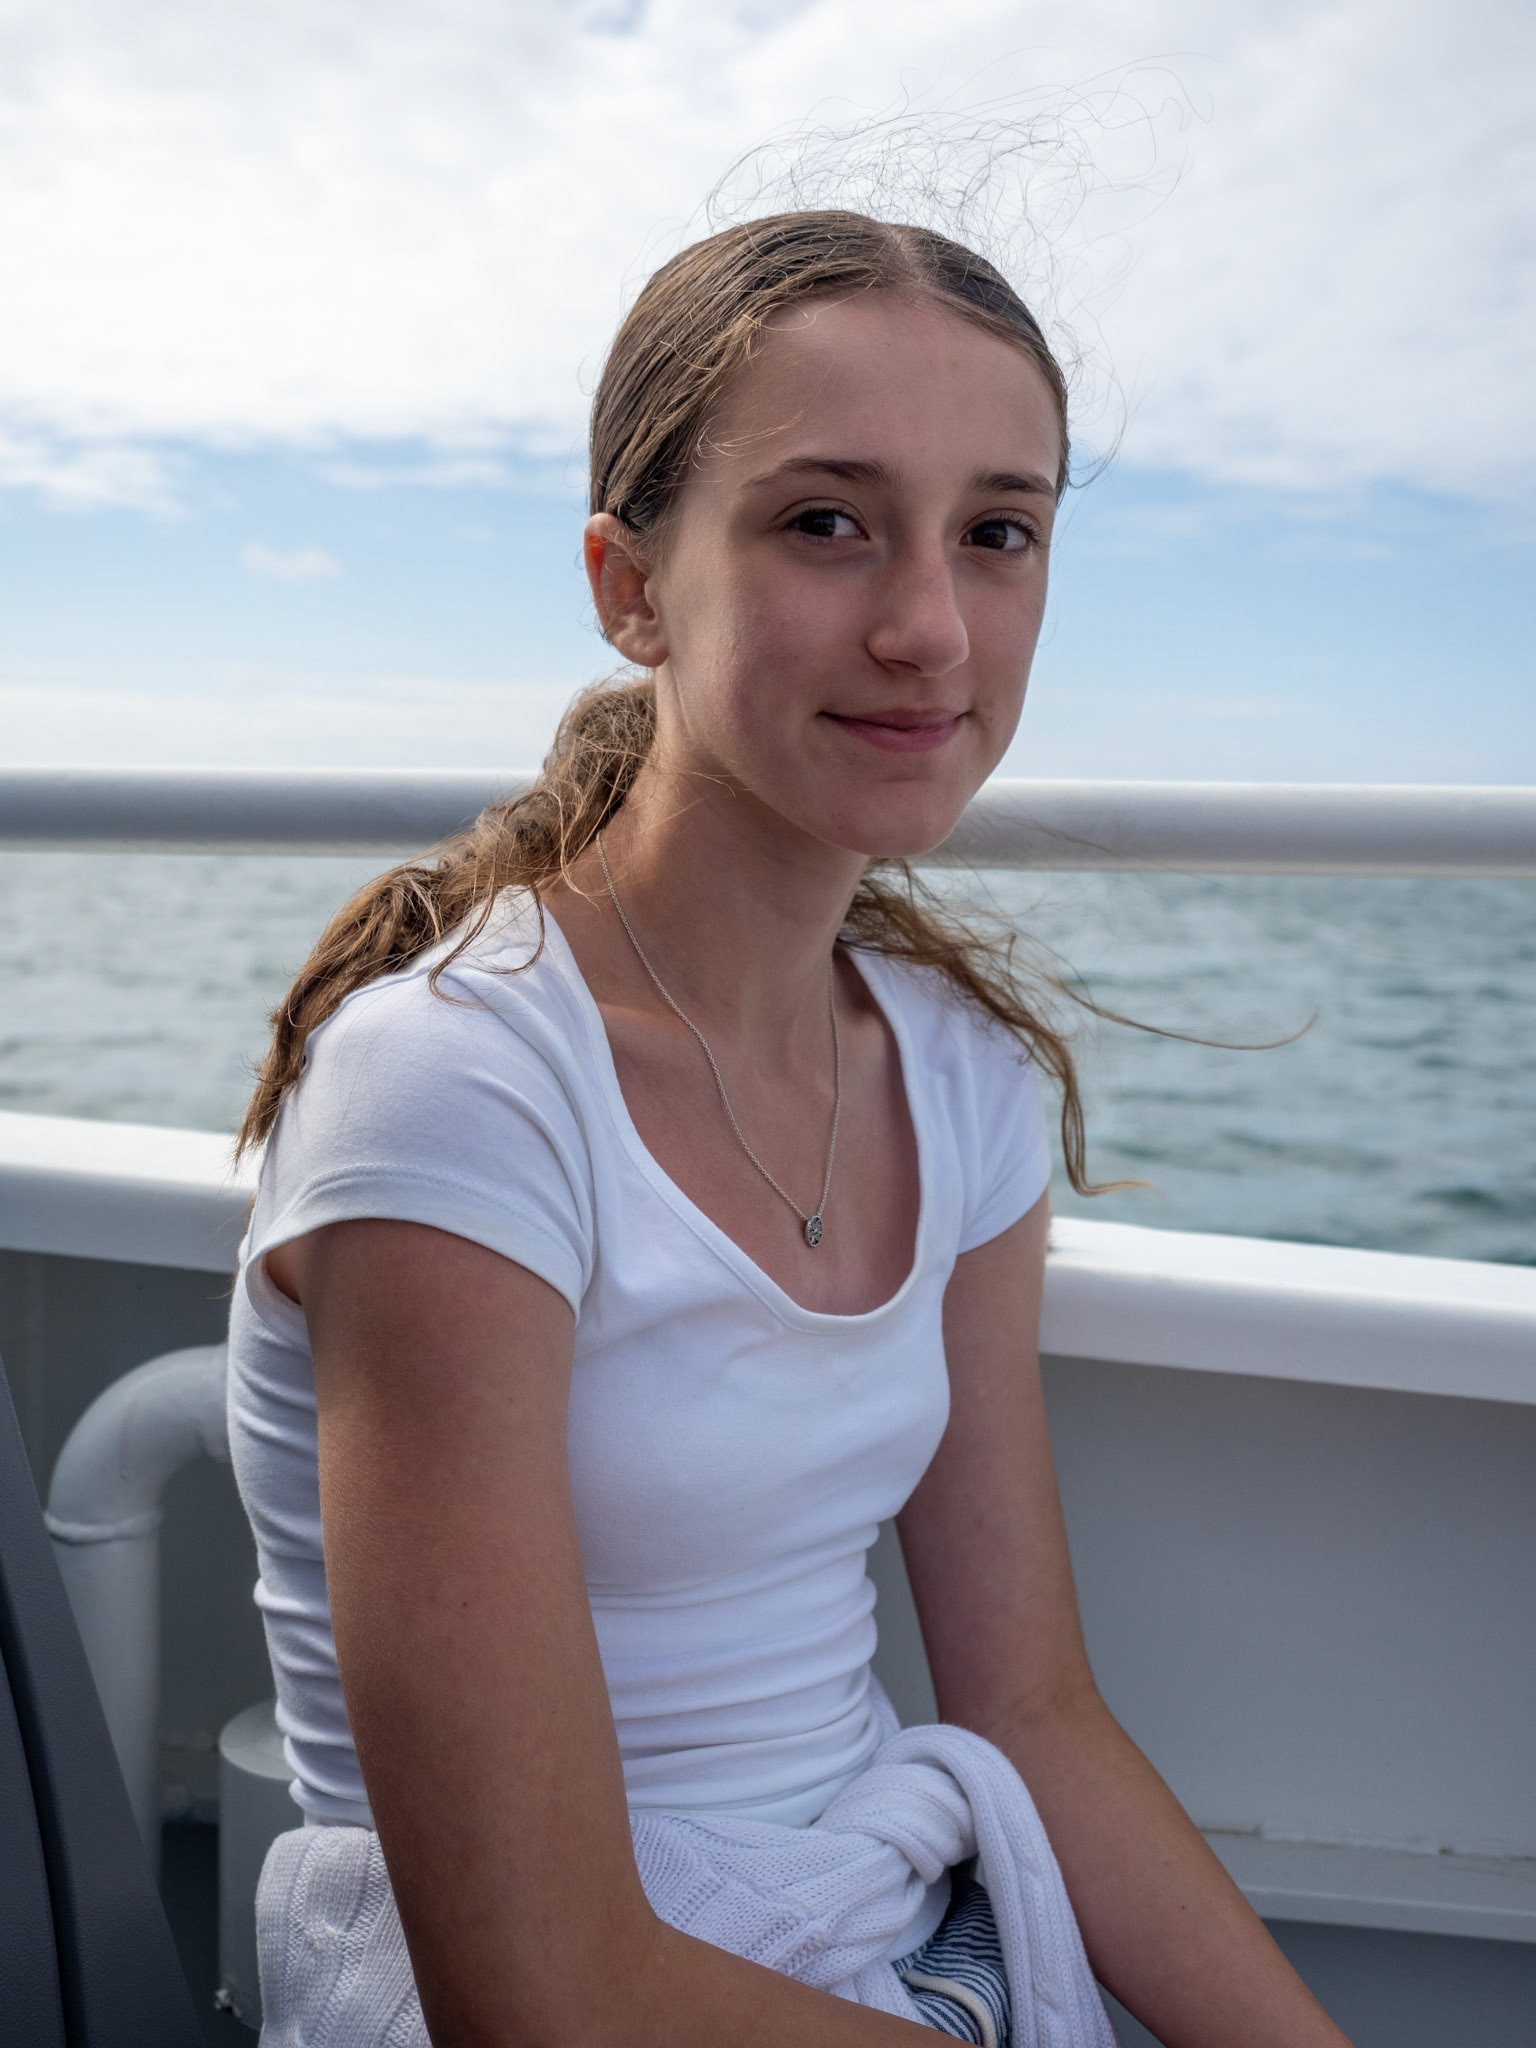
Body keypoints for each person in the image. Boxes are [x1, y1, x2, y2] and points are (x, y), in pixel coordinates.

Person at [228, 210, 1352, 2046]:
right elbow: (541, 1993)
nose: (929, 628)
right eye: (827, 522)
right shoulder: (462, 1086)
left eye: (997, 533)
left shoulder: (956, 1074)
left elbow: (1031, 1714)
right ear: (631, 587)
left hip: (875, 1939)